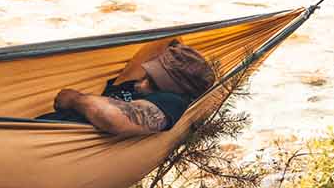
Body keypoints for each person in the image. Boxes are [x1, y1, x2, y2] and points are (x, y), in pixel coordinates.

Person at [39, 41, 218, 137]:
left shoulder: (173, 102)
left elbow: (112, 118)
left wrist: (74, 100)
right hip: (31, 129)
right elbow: (165, 40)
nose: (142, 82)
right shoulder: (135, 84)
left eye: (155, 81)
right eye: (150, 73)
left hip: (47, 141)